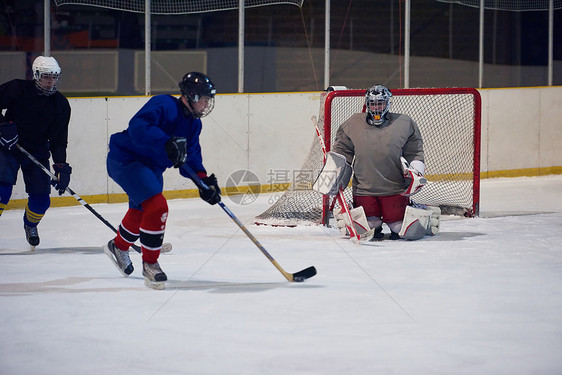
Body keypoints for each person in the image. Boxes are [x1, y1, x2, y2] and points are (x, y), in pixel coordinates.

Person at [103, 72, 221, 289]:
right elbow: (138, 126)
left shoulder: (194, 125)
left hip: (151, 168)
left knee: (141, 211)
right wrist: (166, 142)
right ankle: (151, 264)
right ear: (192, 96)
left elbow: (191, 157)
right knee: (157, 207)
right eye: (204, 99)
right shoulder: (164, 104)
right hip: (126, 160)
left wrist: (205, 183)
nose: (207, 104)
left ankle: (118, 246)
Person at [331, 84, 432, 240]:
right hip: (364, 189)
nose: (376, 107)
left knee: (399, 228)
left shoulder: (404, 123)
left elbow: (414, 152)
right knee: (369, 226)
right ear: (367, 103)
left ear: (388, 103)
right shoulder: (353, 123)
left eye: (380, 103)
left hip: (394, 189)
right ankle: (376, 224)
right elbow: (343, 151)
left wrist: (416, 171)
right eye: (372, 103)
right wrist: (335, 171)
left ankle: (412, 211)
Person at [0, 56, 72, 247]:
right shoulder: (17, 88)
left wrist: (61, 165)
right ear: (36, 75)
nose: (51, 82)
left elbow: (58, 140)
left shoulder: (61, 104)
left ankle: (30, 225)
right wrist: (3, 126)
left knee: (41, 202)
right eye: (47, 77)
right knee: (2, 191)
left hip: (37, 150)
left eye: (55, 77)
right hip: (8, 146)